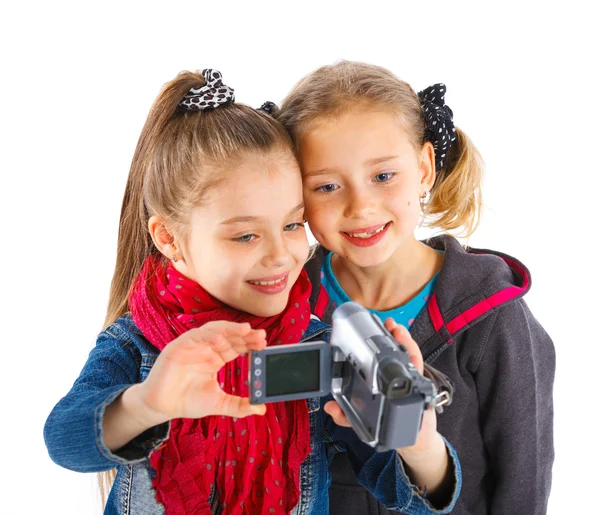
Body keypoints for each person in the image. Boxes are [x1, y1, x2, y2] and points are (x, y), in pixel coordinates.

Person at [43, 69, 462, 515]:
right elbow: (64, 440)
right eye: (245, 236)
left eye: (291, 225)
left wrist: (419, 443)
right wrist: (147, 404)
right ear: (169, 239)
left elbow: (406, 496)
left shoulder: (318, 351)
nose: (281, 256)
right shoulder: (138, 343)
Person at [277, 60, 555, 515]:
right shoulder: (287, 303)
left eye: (383, 176)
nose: (361, 207)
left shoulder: (492, 315)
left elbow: (523, 478)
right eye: (326, 186)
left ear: (424, 168)